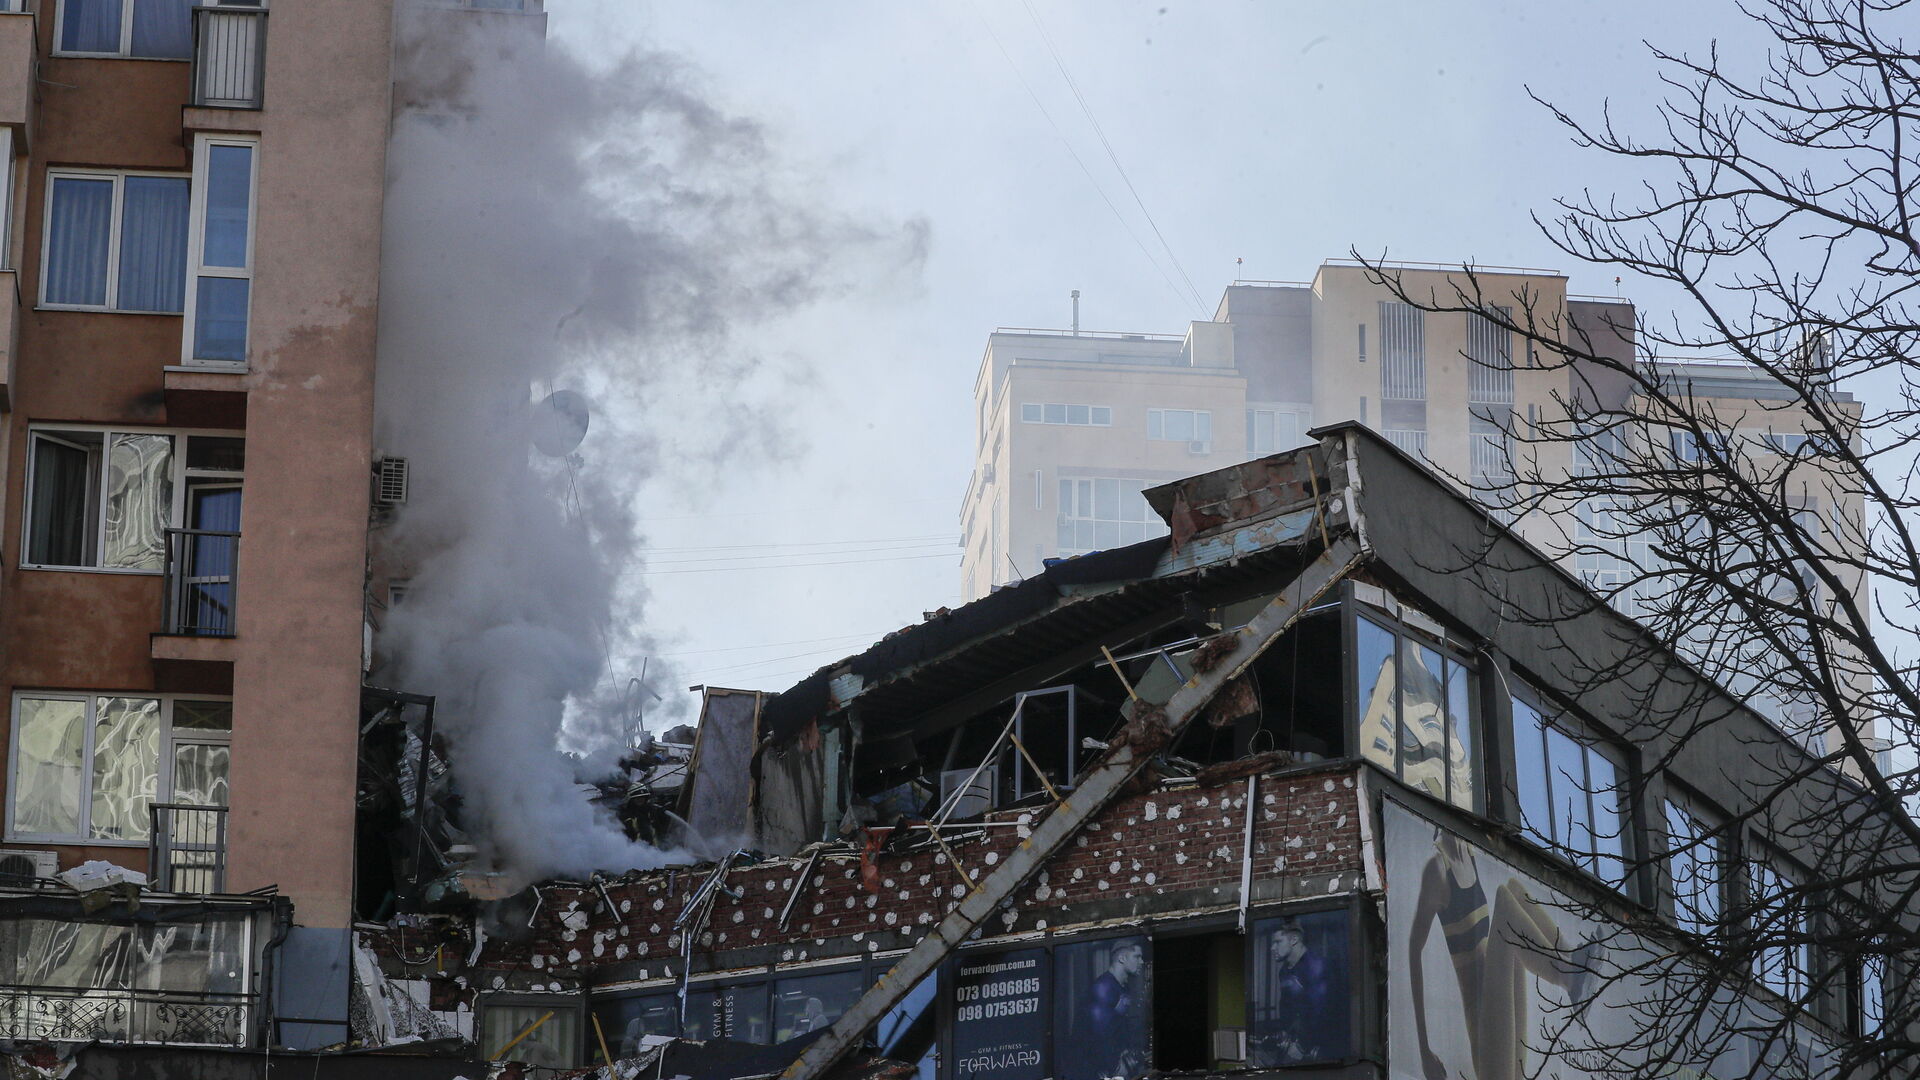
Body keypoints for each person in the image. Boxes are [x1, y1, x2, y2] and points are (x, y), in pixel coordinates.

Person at [1407, 830, 1601, 1080]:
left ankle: (1569, 958)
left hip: (1499, 994)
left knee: (1513, 890)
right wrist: (1424, 1051)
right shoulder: (1437, 869)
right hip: (1483, 1020)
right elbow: (1414, 949)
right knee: (1505, 901)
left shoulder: (1468, 852)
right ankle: (1569, 977)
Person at [1252, 917, 1345, 1064]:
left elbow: (1323, 1011)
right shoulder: (1284, 971)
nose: (1272, 948)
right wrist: (1285, 1033)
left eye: (1277, 942)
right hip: (1299, 1040)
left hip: (1325, 1046)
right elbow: (1287, 1007)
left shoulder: (1316, 967)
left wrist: (1302, 1046)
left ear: (1294, 939)